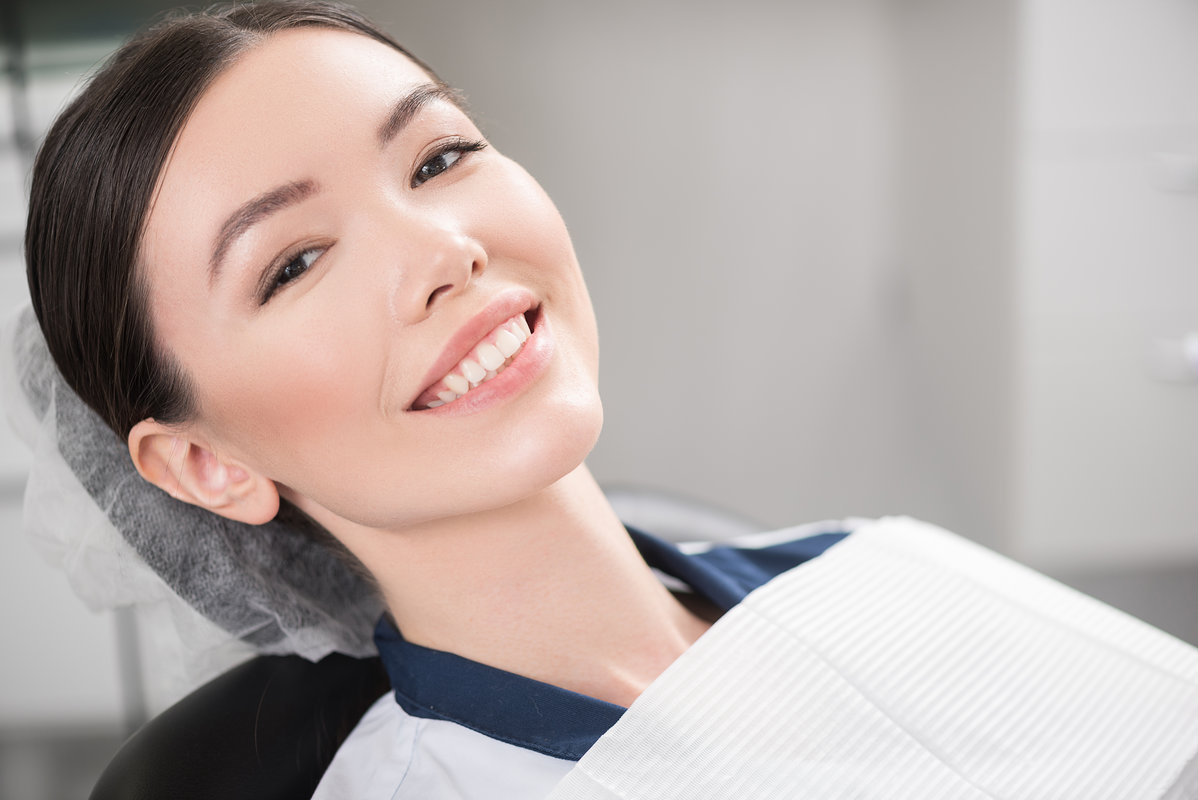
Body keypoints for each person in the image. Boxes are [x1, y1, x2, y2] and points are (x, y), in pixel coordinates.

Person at [17, 3, 1198, 798]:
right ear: (205, 464)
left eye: (436, 159)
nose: (444, 248)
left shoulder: (884, 567)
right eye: (293, 262)